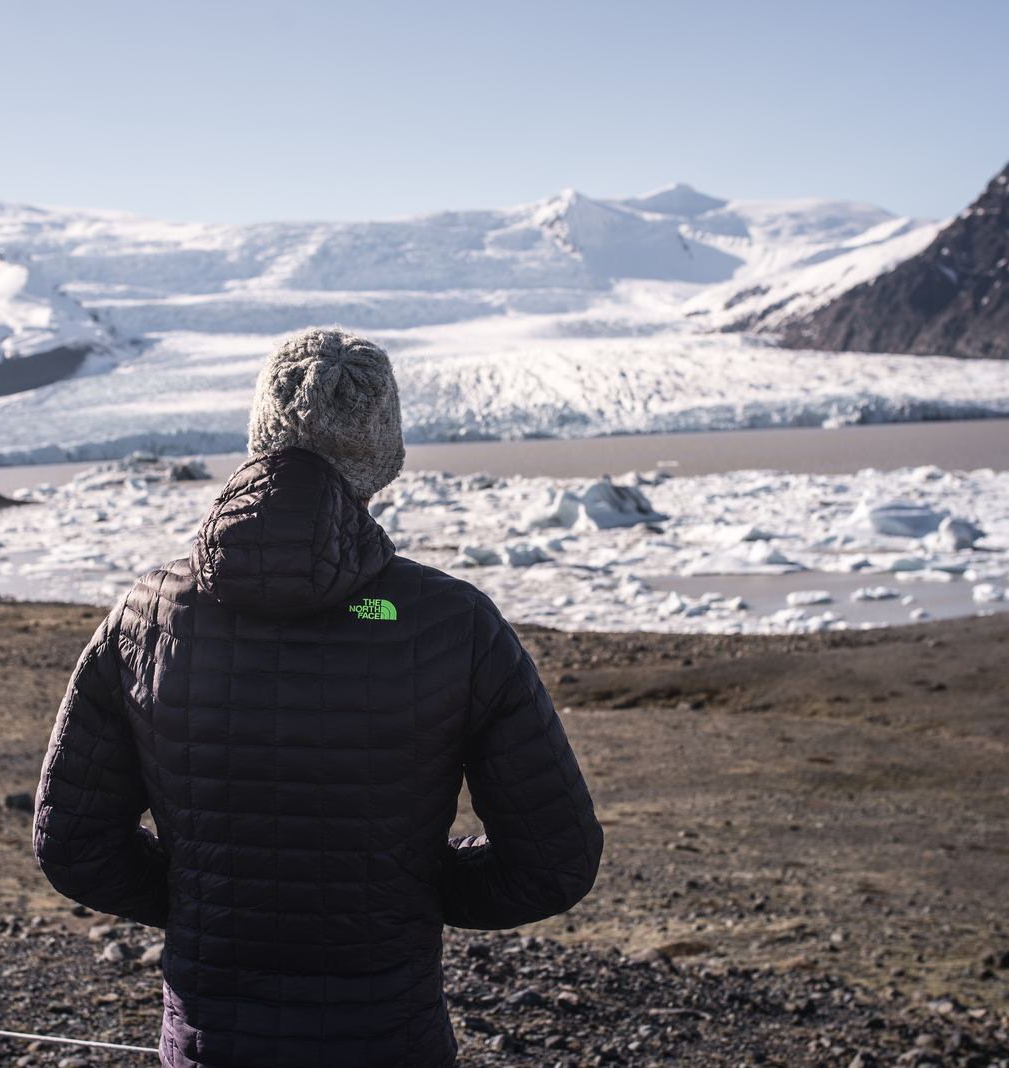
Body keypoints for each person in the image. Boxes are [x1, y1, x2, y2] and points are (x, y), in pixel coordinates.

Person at [34, 327, 603, 1068]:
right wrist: (405, 886)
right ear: (382, 453)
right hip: (389, 1038)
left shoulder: (150, 615)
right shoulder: (451, 620)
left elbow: (73, 843)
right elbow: (553, 860)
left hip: (212, 1043)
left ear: (260, 434)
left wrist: (206, 896)